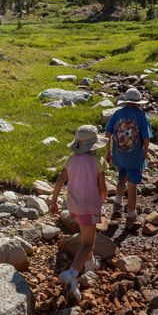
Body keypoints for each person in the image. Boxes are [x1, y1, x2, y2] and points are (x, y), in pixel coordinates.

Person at [50, 125, 107, 302]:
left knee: (86, 235)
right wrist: (103, 196)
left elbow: (60, 181)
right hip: (89, 205)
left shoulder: (71, 160)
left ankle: (90, 265)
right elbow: (102, 186)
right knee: (88, 243)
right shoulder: (98, 161)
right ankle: (72, 273)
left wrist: (53, 202)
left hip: (74, 205)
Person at [105, 87, 152, 230]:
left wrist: (108, 152)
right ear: (138, 103)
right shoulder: (142, 116)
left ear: (125, 102)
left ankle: (117, 208)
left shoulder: (117, 113)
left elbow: (107, 133)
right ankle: (131, 216)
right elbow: (146, 139)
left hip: (119, 154)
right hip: (134, 157)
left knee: (121, 178)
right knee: (132, 186)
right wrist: (144, 154)